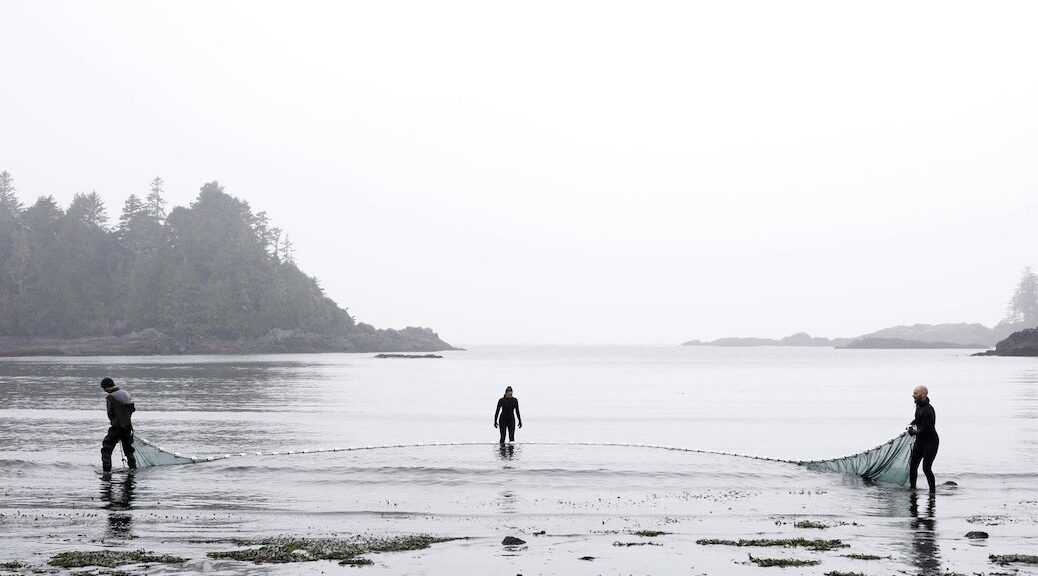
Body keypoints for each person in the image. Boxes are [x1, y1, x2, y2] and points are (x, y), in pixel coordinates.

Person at [100, 377, 137, 472]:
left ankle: (106, 472)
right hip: (128, 427)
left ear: (107, 387)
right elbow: (131, 410)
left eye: (104, 388)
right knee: (128, 450)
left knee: (106, 449)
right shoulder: (125, 393)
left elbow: (110, 414)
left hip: (117, 427)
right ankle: (133, 469)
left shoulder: (111, 397)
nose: (104, 391)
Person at [907, 385, 938, 492]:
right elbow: (918, 419)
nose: (913, 395)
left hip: (931, 442)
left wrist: (912, 432)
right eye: (913, 393)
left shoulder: (929, 410)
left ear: (923, 394)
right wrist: (911, 424)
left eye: (915, 393)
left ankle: (932, 492)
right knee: (913, 466)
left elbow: (925, 430)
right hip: (920, 441)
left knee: (926, 468)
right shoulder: (919, 406)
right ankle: (912, 489)